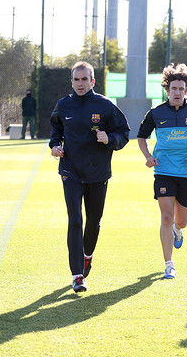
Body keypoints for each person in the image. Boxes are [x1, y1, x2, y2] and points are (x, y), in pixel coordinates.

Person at [49, 61, 130, 293]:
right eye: (77, 79)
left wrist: (110, 139)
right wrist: (55, 146)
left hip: (97, 173)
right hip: (70, 172)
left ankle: (87, 256)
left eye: (85, 79)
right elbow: (56, 132)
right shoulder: (63, 105)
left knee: (93, 222)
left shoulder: (105, 106)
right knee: (75, 220)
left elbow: (124, 132)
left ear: (92, 81)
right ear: (72, 81)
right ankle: (77, 276)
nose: (80, 83)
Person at [137, 63, 187, 279]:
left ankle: (179, 231)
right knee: (167, 216)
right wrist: (148, 156)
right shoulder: (156, 113)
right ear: (167, 90)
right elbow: (141, 137)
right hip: (164, 171)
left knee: (181, 221)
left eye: (181, 89)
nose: (177, 92)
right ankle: (169, 264)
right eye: (173, 89)